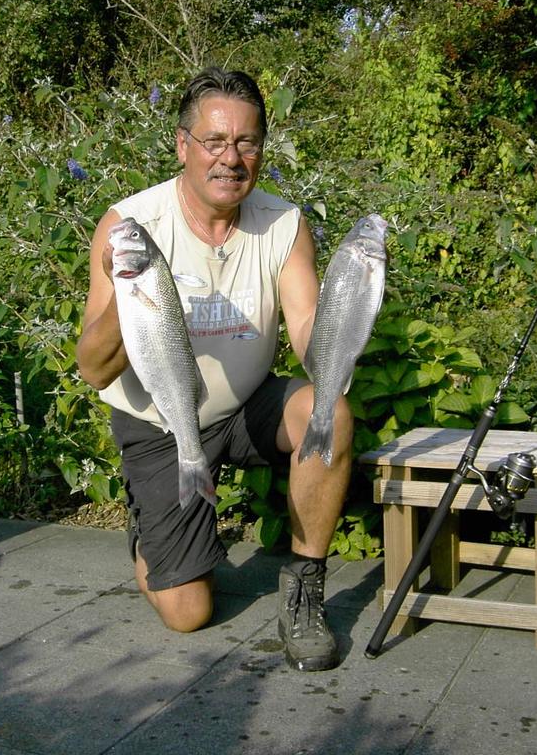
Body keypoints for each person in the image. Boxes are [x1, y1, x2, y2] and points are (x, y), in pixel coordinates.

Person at [76, 67, 354, 672]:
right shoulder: (129, 226)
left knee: (326, 408)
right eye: (214, 142)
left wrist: (342, 330)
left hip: (245, 408)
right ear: (183, 145)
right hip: (161, 424)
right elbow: (94, 370)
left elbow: (306, 328)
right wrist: (135, 294)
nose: (231, 158)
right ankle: (151, 535)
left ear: (261, 148)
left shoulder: (285, 224)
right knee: (188, 613)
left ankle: (305, 589)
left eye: (247, 142)